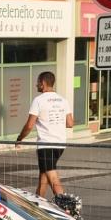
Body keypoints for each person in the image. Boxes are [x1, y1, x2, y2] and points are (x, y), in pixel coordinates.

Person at [16, 71, 74, 202]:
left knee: (52, 176)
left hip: (46, 145)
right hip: (60, 144)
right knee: (44, 176)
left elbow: (29, 125)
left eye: (38, 82)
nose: (36, 85)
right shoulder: (63, 100)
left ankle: (66, 206)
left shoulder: (38, 100)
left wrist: (19, 139)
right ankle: (37, 204)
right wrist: (56, 122)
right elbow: (70, 123)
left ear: (43, 83)